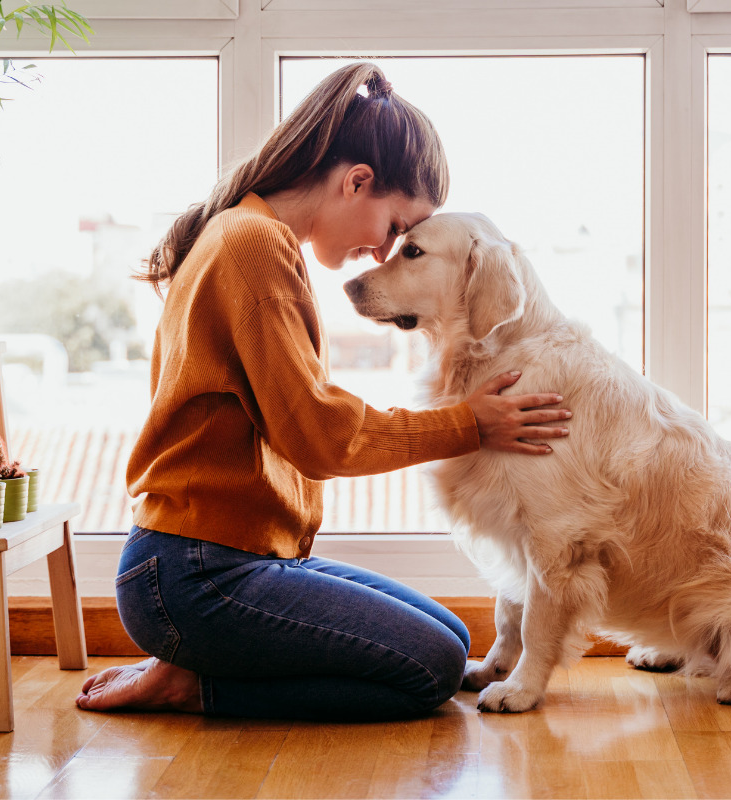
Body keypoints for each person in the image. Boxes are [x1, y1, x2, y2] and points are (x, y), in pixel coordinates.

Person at [75, 63, 571, 721]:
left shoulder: (250, 234)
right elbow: (318, 436)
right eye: (395, 227)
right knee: (431, 670)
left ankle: (198, 659)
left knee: (452, 640)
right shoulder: (253, 246)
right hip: (195, 576)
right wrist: (468, 423)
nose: (382, 252)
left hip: (229, 563)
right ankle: (195, 683)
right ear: (356, 181)